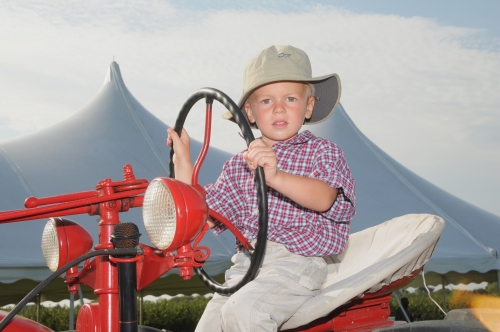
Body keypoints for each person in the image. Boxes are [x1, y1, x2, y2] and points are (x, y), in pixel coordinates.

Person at [167, 45, 356, 331]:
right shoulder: (237, 167)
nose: (279, 108)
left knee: (246, 312)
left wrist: (276, 175)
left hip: (297, 262)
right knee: (208, 326)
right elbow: (201, 214)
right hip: (246, 266)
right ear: (249, 113)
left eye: (290, 98)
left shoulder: (322, 151)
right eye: (266, 101)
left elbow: (325, 198)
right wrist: (183, 163)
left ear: (308, 106)